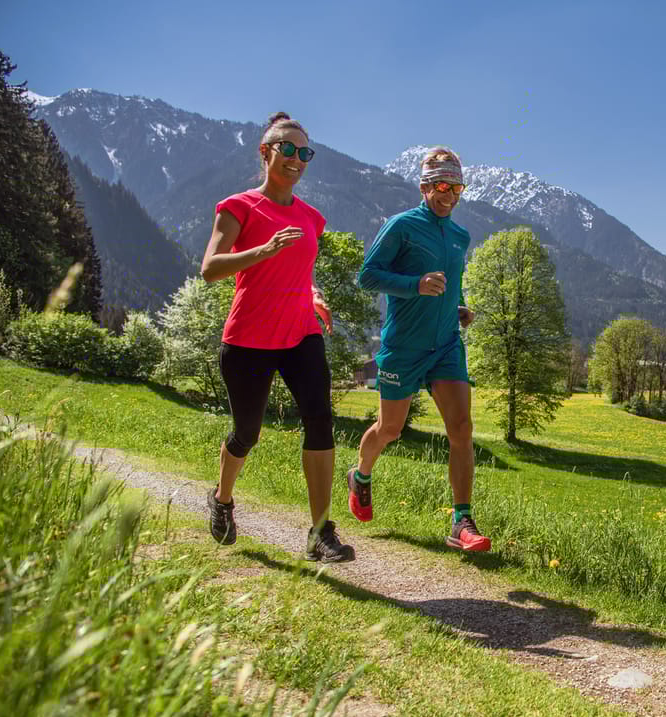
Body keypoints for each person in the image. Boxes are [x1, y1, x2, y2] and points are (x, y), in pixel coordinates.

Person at [199, 112, 354, 562]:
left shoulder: (312, 218)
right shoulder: (239, 207)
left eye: (304, 152)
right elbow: (210, 268)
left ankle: (320, 532)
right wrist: (263, 250)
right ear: (265, 152)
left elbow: (299, 270)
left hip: (301, 334)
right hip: (248, 338)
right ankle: (222, 499)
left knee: (320, 419)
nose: (296, 158)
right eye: (287, 148)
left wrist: (314, 292)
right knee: (247, 433)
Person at [349, 147, 490, 552]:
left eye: (457, 187)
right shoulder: (402, 226)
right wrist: (416, 285)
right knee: (390, 428)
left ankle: (461, 521)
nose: (449, 194)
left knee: (461, 429)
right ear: (425, 186)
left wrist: (457, 306)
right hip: (404, 347)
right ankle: (360, 475)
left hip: (446, 345)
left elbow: (450, 280)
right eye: (442, 185)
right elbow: (367, 277)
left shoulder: (460, 236)